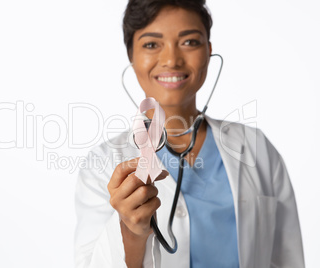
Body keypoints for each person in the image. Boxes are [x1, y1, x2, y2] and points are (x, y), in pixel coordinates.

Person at [74, 0, 305, 267]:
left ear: (208, 51)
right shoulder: (101, 164)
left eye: (189, 42)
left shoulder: (256, 148)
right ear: (131, 56)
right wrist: (130, 230)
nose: (171, 59)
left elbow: (288, 260)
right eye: (151, 44)